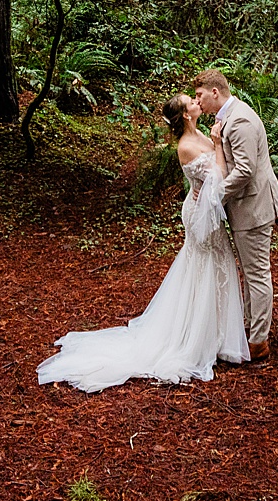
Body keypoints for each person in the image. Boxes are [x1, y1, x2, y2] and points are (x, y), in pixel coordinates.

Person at [35, 94, 249, 392]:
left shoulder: (199, 133)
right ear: (187, 115)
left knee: (216, 266)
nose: (198, 103)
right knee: (205, 269)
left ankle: (218, 335)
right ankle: (197, 338)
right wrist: (218, 149)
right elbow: (220, 175)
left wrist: (215, 143)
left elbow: (214, 180)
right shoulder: (186, 146)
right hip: (199, 215)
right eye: (192, 102)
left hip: (208, 211)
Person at [198, 68, 278, 362]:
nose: (198, 103)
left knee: (257, 273)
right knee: (250, 272)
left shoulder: (240, 120)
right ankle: (250, 328)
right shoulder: (225, 119)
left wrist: (215, 195)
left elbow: (245, 171)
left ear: (215, 92)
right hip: (245, 209)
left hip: (254, 209)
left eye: (200, 96)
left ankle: (258, 341)